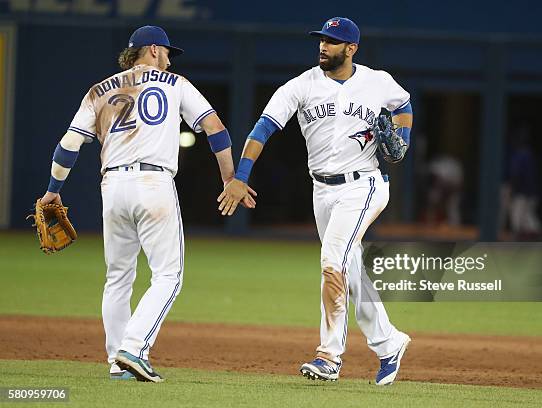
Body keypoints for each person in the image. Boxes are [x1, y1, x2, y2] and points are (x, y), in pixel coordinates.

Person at [37, 25, 254, 382]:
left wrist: (52, 190)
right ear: (153, 49)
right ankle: (133, 348)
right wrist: (230, 179)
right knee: (169, 275)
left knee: (118, 276)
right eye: (167, 51)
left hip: (112, 186)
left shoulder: (98, 91)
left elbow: (68, 145)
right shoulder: (177, 84)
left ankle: (115, 361)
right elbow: (216, 129)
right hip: (153, 183)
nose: (170, 59)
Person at [218, 17, 411, 385]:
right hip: (322, 191)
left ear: (351, 48)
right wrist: (240, 176)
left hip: (364, 185)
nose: (323, 46)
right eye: (322, 39)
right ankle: (389, 343)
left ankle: (329, 357)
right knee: (349, 270)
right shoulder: (300, 86)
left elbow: (404, 104)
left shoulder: (377, 81)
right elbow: (264, 127)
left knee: (331, 263)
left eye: (333, 41)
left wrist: (403, 137)